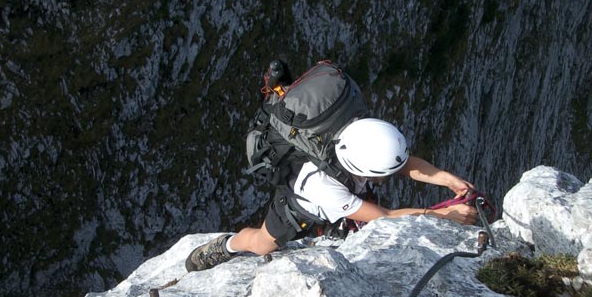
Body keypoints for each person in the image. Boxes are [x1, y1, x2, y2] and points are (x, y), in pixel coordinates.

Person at [186, 118, 477, 272]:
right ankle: (227, 247)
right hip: (300, 205)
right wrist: (442, 215)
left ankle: (341, 227)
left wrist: (448, 180)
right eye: (383, 173)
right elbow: (383, 217)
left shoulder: (362, 136)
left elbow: (405, 164)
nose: (390, 175)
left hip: (341, 188)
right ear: (365, 169)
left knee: (355, 211)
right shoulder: (323, 187)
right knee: (262, 244)